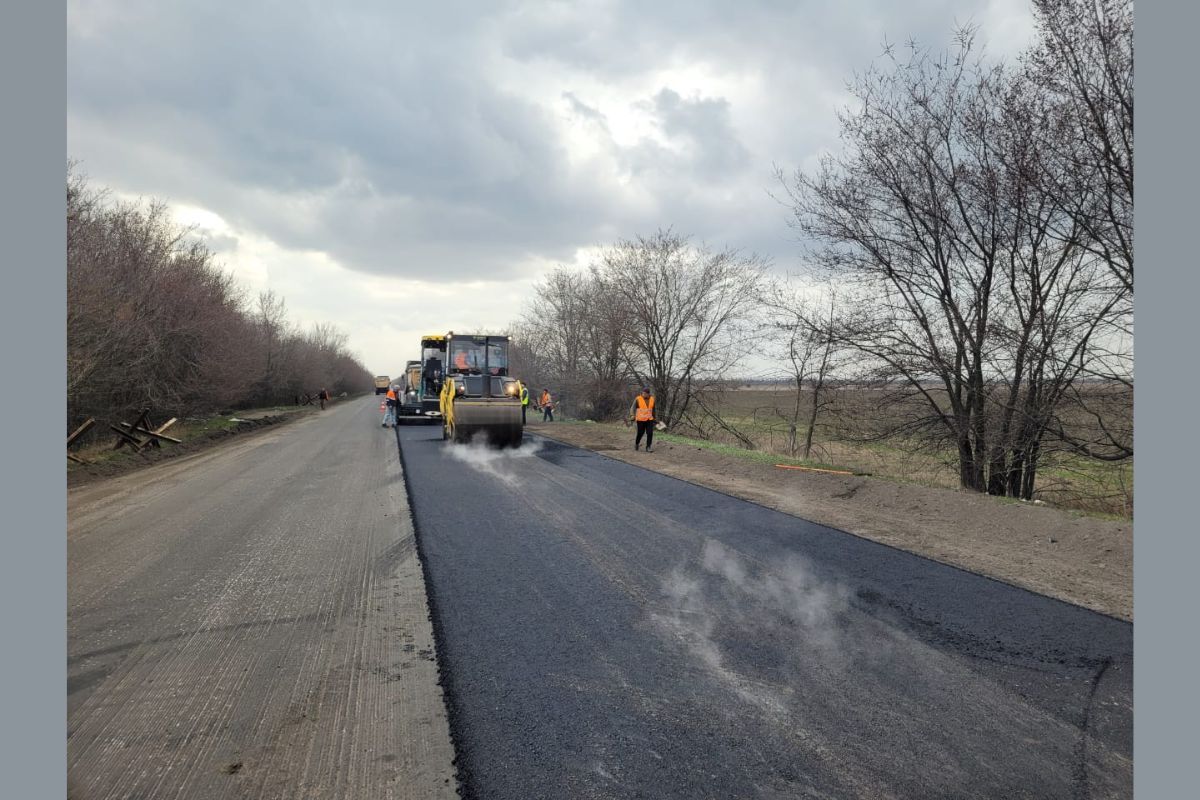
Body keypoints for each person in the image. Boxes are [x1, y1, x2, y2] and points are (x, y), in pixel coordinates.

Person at [629, 386, 656, 451]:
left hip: (649, 419)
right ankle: (637, 443)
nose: (643, 394)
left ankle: (648, 447)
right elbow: (632, 408)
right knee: (640, 433)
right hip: (640, 420)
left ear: (648, 394)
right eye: (643, 393)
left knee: (650, 433)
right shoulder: (638, 399)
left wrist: (654, 418)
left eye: (645, 393)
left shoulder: (652, 399)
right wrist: (632, 415)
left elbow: (653, 409)